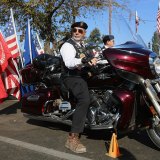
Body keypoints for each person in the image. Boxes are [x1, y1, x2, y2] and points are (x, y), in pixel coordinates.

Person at [60, 21, 97, 153]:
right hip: (71, 77)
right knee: (84, 100)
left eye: (80, 31)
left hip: (82, 75)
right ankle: (72, 137)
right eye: (75, 30)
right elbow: (69, 63)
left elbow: (91, 58)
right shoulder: (67, 45)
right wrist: (83, 61)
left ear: (84, 33)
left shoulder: (83, 46)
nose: (77, 32)